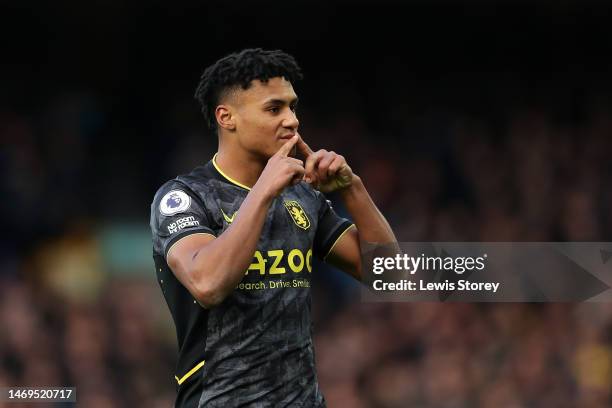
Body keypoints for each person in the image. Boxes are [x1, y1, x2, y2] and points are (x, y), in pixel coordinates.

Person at [150, 48, 396, 407]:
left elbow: (391, 277)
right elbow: (208, 284)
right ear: (226, 117)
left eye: (292, 107)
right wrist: (263, 191)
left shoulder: (302, 197)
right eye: (273, 108)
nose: (292, 120)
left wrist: (352, 189)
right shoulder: (185, 197)